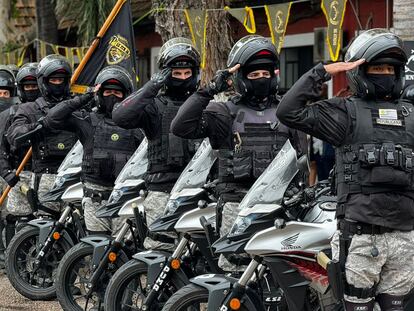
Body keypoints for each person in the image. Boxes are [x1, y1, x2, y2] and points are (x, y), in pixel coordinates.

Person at [276, 28, 414, 311]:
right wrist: (322, 71)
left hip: (404, 238)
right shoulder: (344, 112)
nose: (385, 73)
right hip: (361, 238)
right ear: (360, 71)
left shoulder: (410, 115)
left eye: (390, 68)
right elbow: (288, 111)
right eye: (377, 67)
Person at [170, 35, 305, 269]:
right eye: (253, 75)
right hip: (237, 208)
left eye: (265, 74)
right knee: (235, 276)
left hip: (279, 209)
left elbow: (301, 161)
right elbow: (181, 126)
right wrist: (210, 89)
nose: (260, 79)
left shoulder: (286, 113)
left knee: (278, 276)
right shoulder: (223, 112)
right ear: (240, 78)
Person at [112, 37, 202, 249]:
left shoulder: (203, 103)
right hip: (161, 191)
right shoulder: (154, 106)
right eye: (176, 74)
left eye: (187, 73)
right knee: (159, 250)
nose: (182, 78)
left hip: (197, 192)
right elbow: (121, 116)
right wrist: (152, 85)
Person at [42, 65, 143, 235]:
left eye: (117, 93)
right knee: (97, 248)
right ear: (99, 94)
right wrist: (85, 97)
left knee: (127, 249)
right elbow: (52, 118)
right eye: (107, 92)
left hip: (125, 197)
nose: (112, 96)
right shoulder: (88, 120)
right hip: (95, 197)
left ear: (125, 95)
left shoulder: (137, 122)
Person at [7, 55, 82, 212]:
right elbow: (14, 135)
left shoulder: (78, 106)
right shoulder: (29, 109)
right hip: (46, 178)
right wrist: (40, 125)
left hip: (78, 178)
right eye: (53, 80)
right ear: (43, 81)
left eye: (61, 79)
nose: (58, 84)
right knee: (45, 226)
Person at [0, 63, 40, 263]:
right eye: (28, 86)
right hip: (20, 175)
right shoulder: (10, 114)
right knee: (16, 219)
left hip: (45, 176)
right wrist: (7, 172)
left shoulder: (51, 111)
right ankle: (15, 263)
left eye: (35, 85)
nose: (32, 90)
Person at [0, 66, 19, 266]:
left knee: (10, 215)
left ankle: (11, 253)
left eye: (6, 93)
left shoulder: (15, 113)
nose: (2, 97)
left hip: (8, 170)